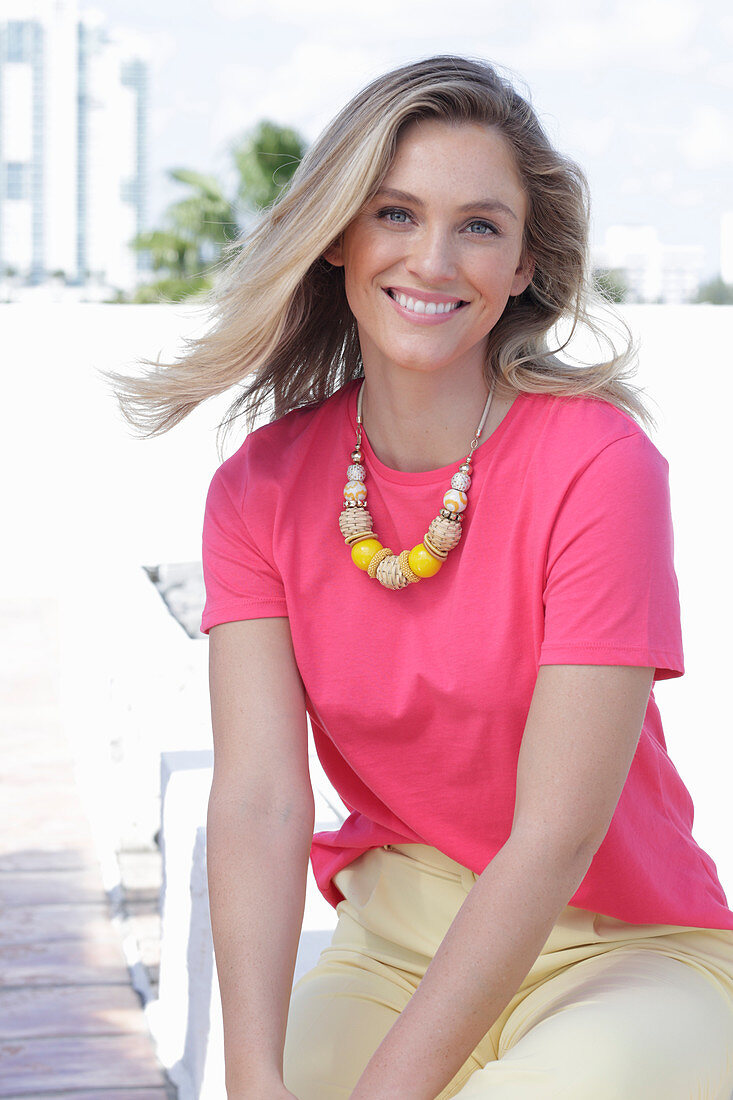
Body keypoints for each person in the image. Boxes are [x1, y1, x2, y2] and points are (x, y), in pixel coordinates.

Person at [110, 55, 733, 1099]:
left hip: (621, 946)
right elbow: (262, 799)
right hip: (391, 943)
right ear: (341, 236)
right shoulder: (257, 489)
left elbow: (555, 831)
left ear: (526, 262)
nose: (433, 259)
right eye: (395, 213)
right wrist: (253, 1078)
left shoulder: (597, 463)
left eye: (479, 225)